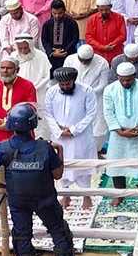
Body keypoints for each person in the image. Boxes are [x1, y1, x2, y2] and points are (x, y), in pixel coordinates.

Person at [0, 103, 86, 256]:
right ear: (33, 124)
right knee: (60, 232)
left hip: (18, 201)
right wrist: (60, 151)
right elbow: (58, 175)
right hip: (45, 199)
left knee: (21, 237)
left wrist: (8, 188)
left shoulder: (1, 149)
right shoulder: (45, 147)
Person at [42, 66, 98, 205]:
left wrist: (74, 130)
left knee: (83, 166)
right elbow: (47, 113)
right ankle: (65, 195)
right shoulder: (51, 91)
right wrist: (59, 131)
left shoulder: (87, 91)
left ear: (74, 80)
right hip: (60, 136)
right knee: (62, 165)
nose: (65, 86)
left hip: (81, 136)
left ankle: (86, 196)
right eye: (62, 84)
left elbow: (91, 113)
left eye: (68, 84)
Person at [103, 61, 138, 191]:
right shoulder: (110, 89)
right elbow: (108, 112)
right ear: (118, 77)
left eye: (128, 80)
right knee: (117, 164)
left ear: (135, 75)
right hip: (118, 135)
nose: (125, 82)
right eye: (122, 80)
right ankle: (119, 194)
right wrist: (120, 131)